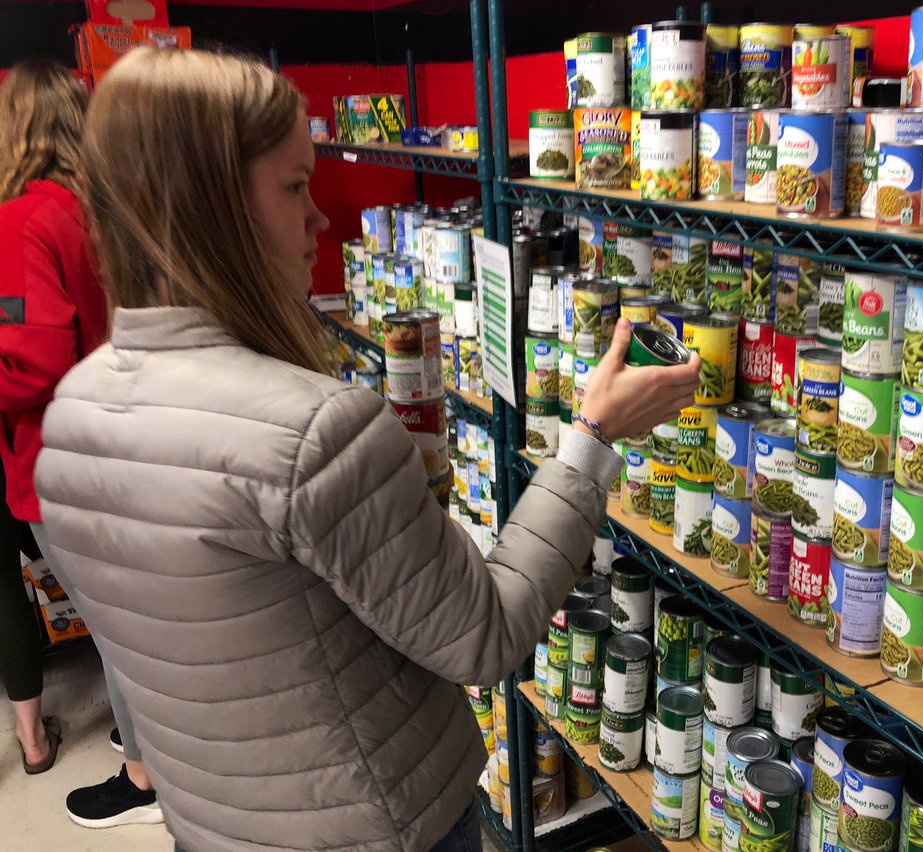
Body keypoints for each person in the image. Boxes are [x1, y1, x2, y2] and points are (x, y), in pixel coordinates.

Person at [34, 44, 699, 851]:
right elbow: (484, 636)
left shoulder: (70, 414)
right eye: (295, 186)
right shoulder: (314, 431)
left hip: (213, 825)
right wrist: (592, 438)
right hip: (379, 827)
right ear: (212, 208)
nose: (320, 218)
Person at [0, 61, 162, 827]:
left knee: (113, 625)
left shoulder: (23, 219)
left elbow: (30, 363)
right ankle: (147, 748)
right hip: (121, 442)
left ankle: (142, 778)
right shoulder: (99, 208)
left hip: (61, 459)